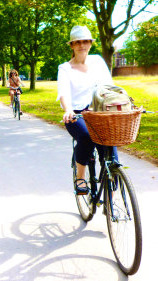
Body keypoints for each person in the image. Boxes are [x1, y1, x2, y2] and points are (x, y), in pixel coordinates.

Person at [57, 25, 118, 195]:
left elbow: (109, 87)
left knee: (109, 143)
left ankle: (112, 176)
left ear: (90, 43)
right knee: (86, 137)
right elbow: (63, 93)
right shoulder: (65, 68)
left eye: (85, 41)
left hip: (98, 111)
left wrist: (120, 103)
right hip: (76, 114)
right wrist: (68, 109)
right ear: (72, 45)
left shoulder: (97, 61)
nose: (81, 45)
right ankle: (81, 176)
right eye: (77, 42)